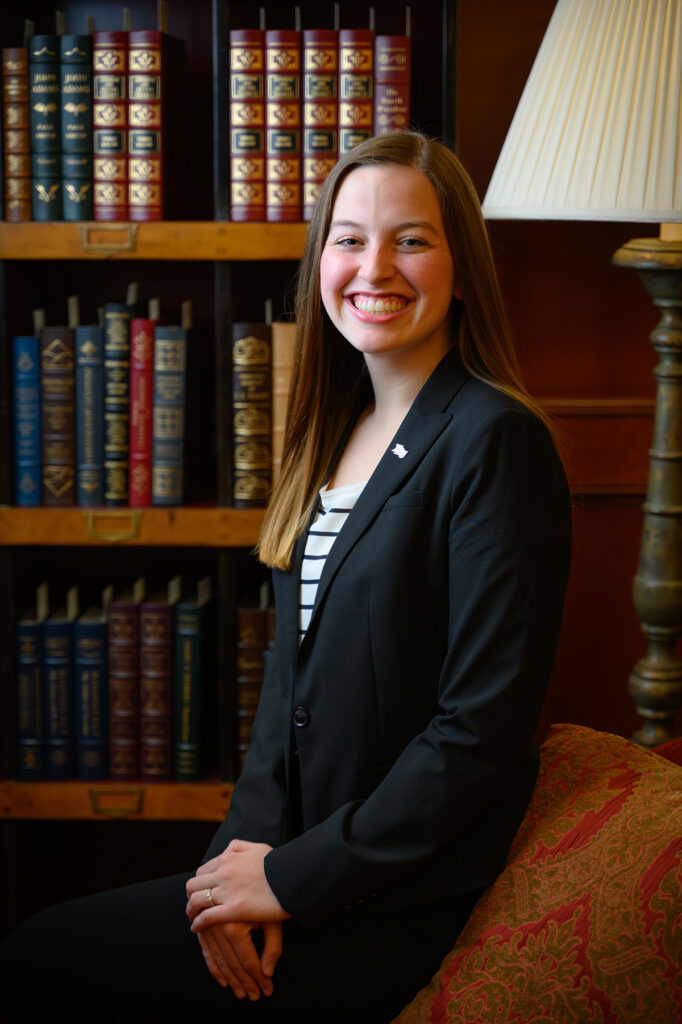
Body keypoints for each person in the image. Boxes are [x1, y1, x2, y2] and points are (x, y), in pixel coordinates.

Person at [0, 131, 571, 1023]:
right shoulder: (332, 436)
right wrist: (234, 873)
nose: (374, 266)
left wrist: (294, 882)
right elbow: (287, 692)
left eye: (411, 239)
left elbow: (478, 736)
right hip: (291, 866)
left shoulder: (495, 440)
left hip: (392, 893)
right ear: (319, 264)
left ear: (463, 265)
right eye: (348, 238)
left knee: (32, 960)